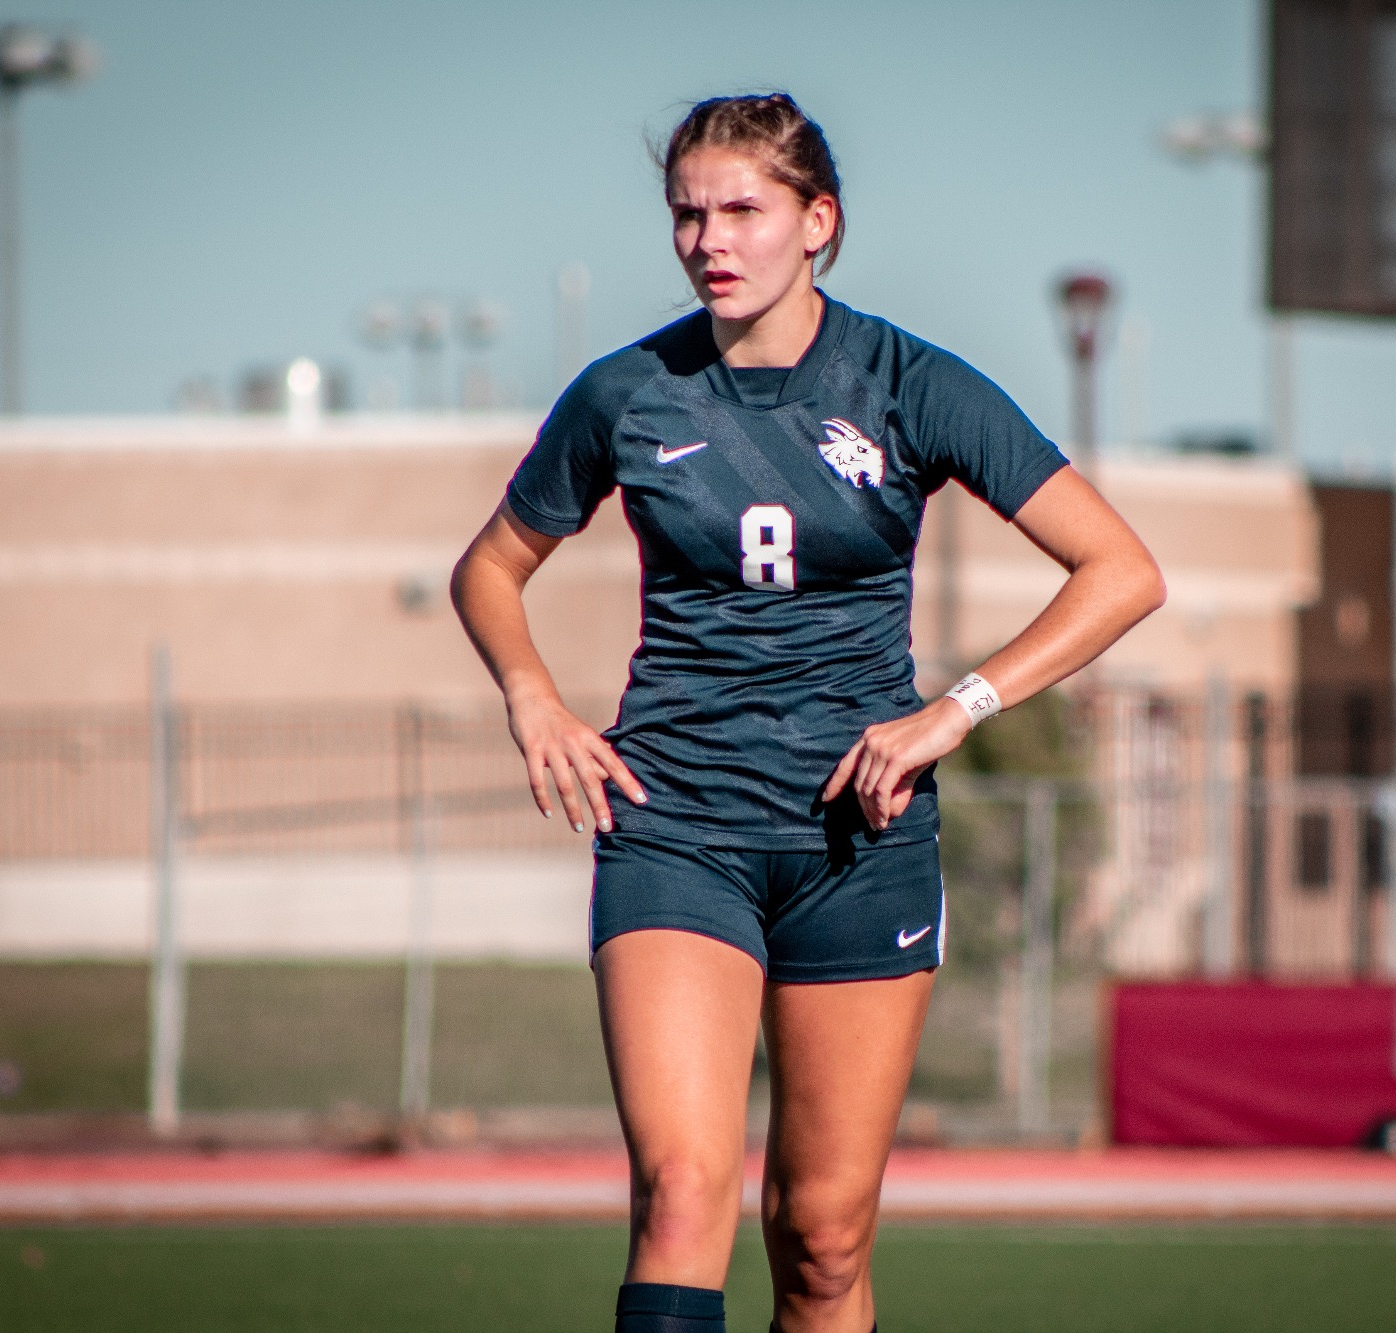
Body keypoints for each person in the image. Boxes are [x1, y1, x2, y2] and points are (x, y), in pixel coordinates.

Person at [452, 92, 1165, 1333]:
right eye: (686, 213)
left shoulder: (908, 383)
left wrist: (954, 710)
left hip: (859, 843)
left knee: (821, 1239)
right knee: (682, 1191)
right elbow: (489, 566)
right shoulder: (627, 393)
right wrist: (533, 699)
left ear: (815, 222)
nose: (707, 239)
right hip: (675, 828)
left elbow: (1121, 572)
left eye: (741, 210)